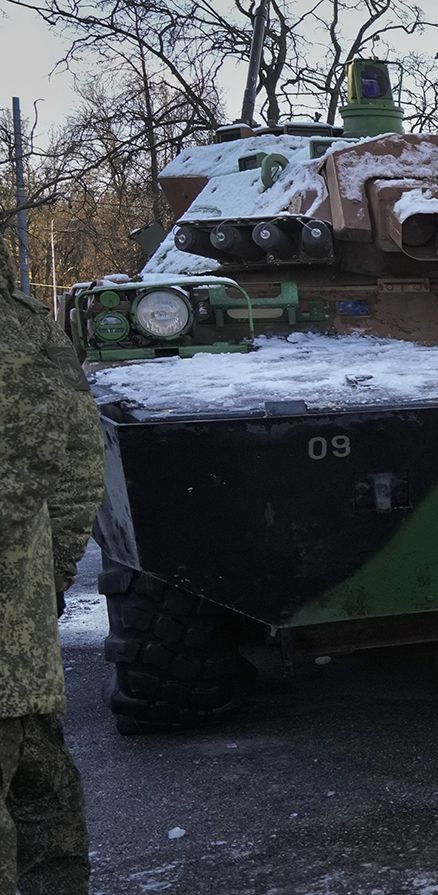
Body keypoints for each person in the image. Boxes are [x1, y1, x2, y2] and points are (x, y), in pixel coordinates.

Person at [0, 249, 103, 895]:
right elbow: (73, 458)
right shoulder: (24, 320)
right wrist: (51, 573)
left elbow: (47, 434)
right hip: (22, 650)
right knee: (45, 817)